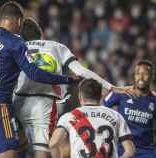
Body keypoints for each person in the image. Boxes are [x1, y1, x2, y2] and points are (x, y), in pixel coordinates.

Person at [0, 2, 74, 158]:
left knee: (21, 141)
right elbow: (34, 74)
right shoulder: (15, 43)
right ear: (19, 21)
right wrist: (68, 79)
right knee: (8, 153)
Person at [13, 17, 118, 158]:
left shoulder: (16, 48)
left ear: (21, 36)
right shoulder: (56, 46)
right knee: (43, 147)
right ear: (41, 33)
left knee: (16, 145)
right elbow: (81, 71)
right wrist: (110, 86)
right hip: (45, 103)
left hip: (18, 99)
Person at [50, 79, 135, 158]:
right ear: (101, 96)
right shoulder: (116, 116)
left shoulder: (69, 116)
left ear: (80, 97)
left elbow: (53, 144)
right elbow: (130, 151)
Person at [103, 60, 156, 158]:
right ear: (134, 76)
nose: (141, 77)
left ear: (152, 77)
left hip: (145, 152)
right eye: (138, 74)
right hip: (122, 149)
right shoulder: (121, 92)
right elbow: (102, 106)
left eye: (145, 74)